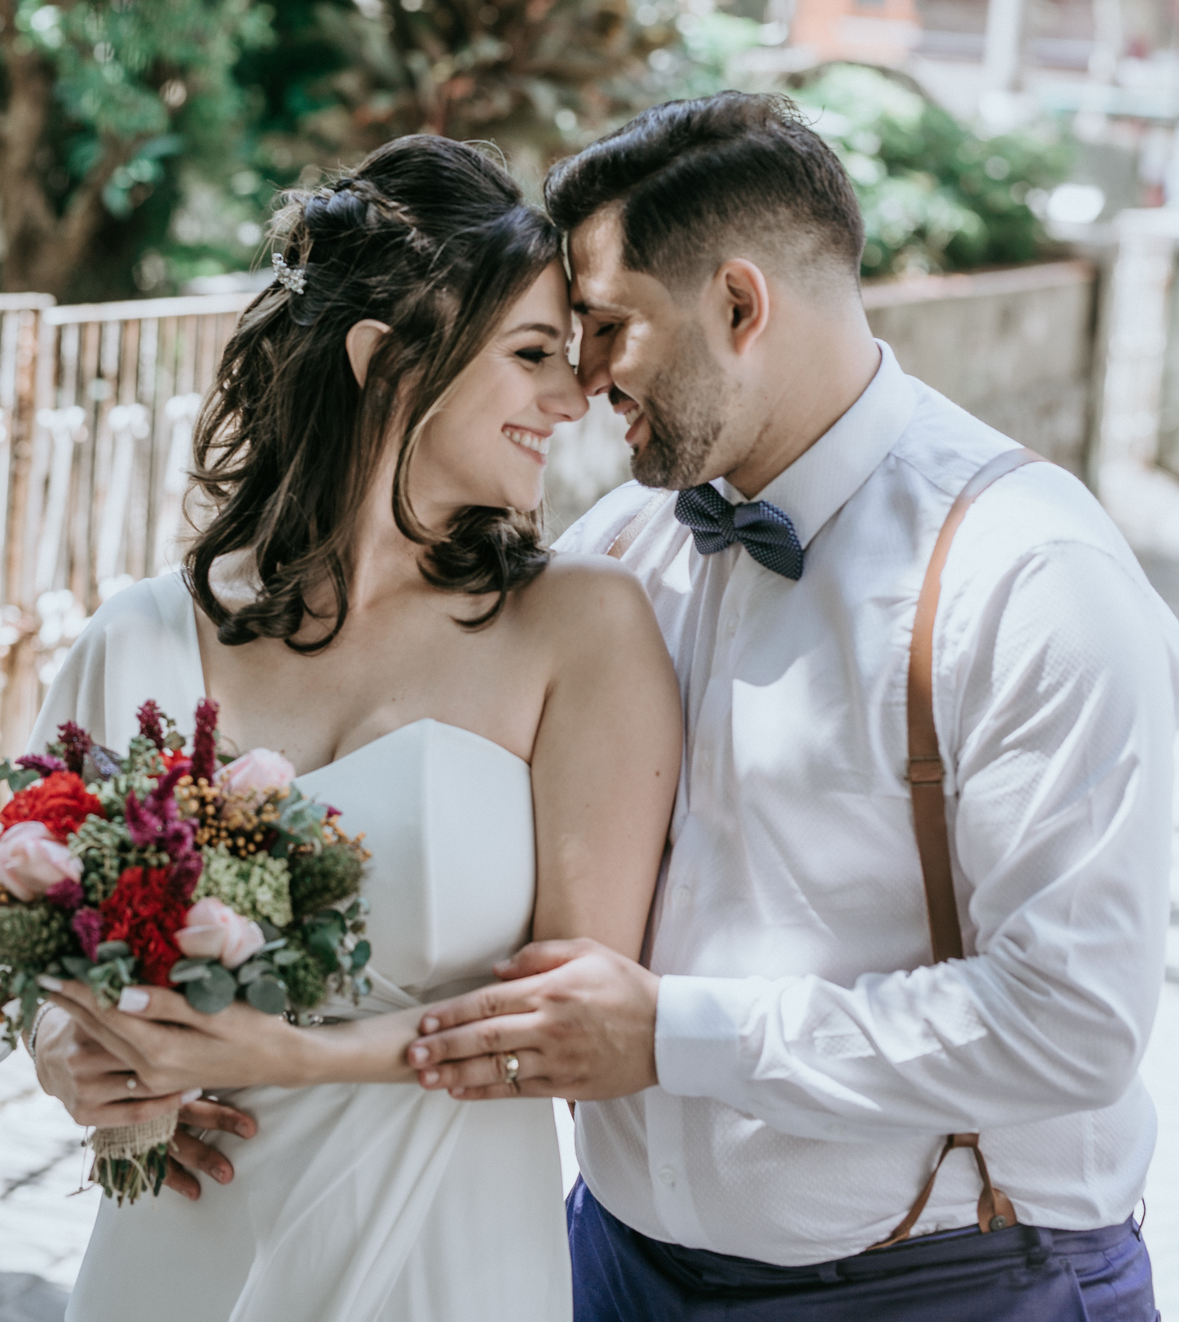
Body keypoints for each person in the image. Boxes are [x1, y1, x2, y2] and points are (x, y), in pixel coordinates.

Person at [403, 91, 1177, 1322]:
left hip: (953, 1286)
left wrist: (675, 1035)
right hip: (612, 1268)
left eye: (609, 328)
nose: (585, 379)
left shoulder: (1030, 575)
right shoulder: (616, 551)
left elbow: (1071, 1020)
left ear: (739, 305)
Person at [24, 136, 681, 1322]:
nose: (573, 396)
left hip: (445, 1255)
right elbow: (28, 954)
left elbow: (580, 1023)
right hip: (177, 1248)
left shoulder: (581, 628)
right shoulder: (142, 638)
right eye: (532, 354)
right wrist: (66, 1055)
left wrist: (285, 1055)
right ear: (386, 364)